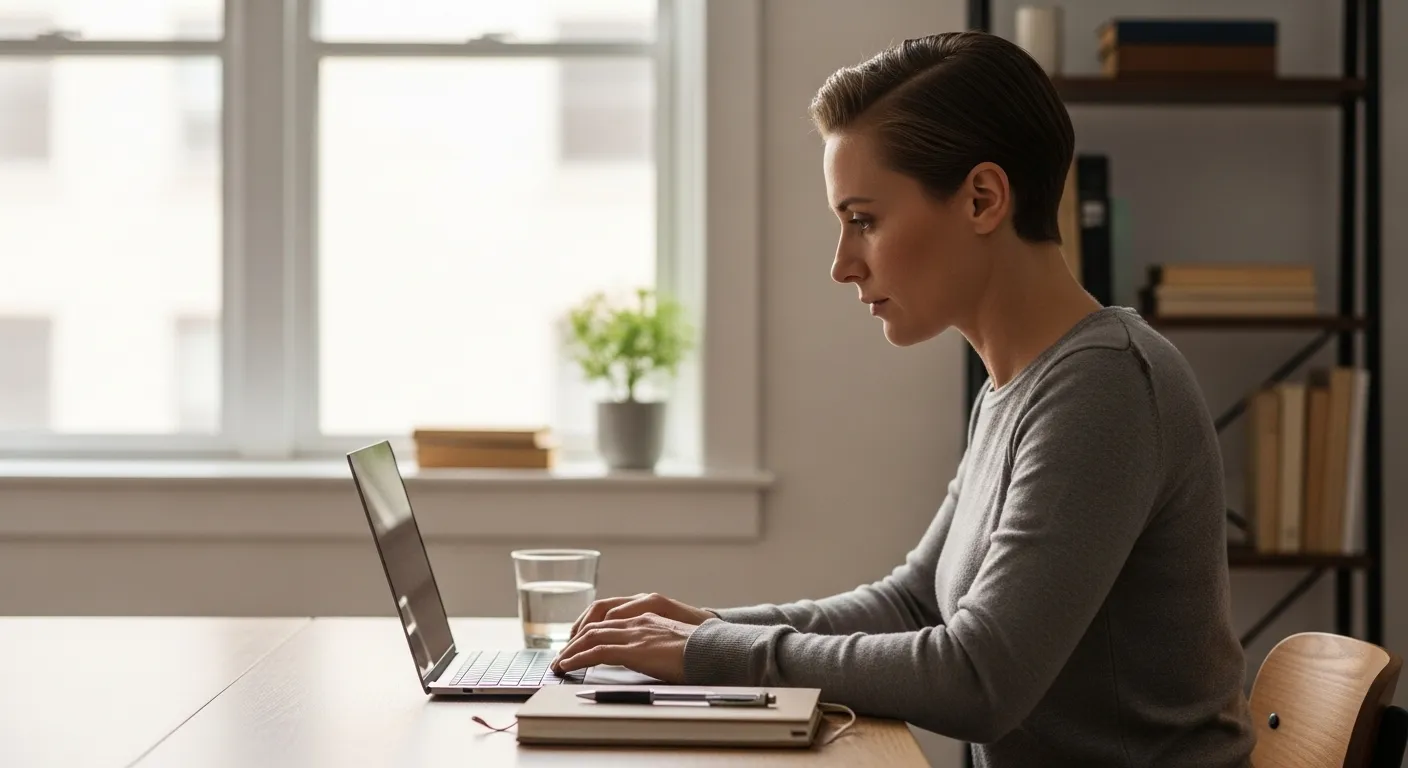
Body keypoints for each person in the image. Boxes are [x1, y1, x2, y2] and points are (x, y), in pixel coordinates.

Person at [549, 31, 1255, 767]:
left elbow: (980, 679)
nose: (842, 265)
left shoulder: (1107, 388)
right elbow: (916, 603)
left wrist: (710, 651)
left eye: (864, 219)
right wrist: (704, 628)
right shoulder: (1018, 389)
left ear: (983, 199)